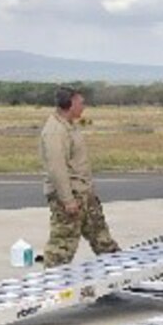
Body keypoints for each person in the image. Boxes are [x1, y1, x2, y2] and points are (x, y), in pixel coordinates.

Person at [38, 86, 121, 267]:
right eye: (80, 103)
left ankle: (119, 274)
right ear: (69, 104)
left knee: (103, 240)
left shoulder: (69, 126)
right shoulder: (55, 131)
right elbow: (56, 168)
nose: (83, 107)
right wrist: (67, 200)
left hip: (83, 195)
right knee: (62, 246)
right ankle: (52, 286)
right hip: (71, 197)